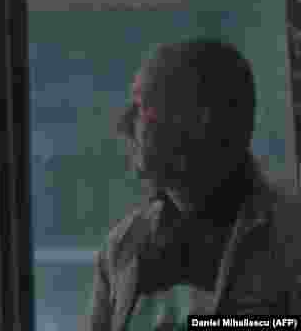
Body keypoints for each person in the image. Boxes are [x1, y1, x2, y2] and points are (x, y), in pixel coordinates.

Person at [83, 39, 301, 331]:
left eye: (140, 105)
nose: (123, 123)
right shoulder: (119, 249)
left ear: (199, 119)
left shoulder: (292, 239)